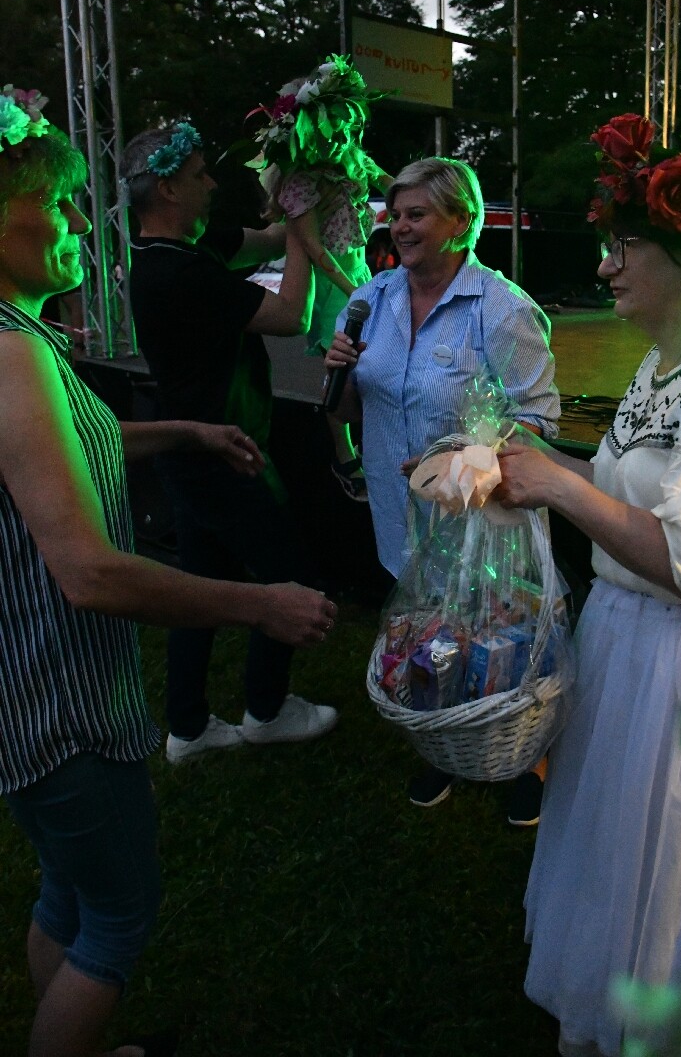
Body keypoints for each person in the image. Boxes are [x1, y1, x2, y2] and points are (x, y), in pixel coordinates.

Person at [0, 85, 337, 1057]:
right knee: (118, 916)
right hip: (59, 702)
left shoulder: (21, 341)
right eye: (57, 202)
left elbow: (65, 444)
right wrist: (259, 603)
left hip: (33, 693)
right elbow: (90, 574)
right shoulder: (13, 354)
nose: (79, 223)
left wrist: (184, 428)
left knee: (69, 892)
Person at [494, 112, 681, 1056]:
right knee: (617, 856)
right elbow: (627, 488)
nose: (605, 267)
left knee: (677, 872)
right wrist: (531, 459)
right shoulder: (666, 360)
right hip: (628, 647)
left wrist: (557, 488)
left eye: (624, 246)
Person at [324, 156, 560, 819]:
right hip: (399, 514)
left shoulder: (501, 308)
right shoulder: (371, 301)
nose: (399, 227)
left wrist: (463, 466)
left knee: (501, 634)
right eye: (395, 215)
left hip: (483, 519)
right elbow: (350, 410)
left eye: (416, 215)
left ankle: (528, 754)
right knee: (428, 629)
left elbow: (539, 421)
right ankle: (444, 739)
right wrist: (338, 373)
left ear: (461, 221)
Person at [122, 121, 338, 763]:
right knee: (291, 577)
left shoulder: (186, 249)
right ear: (167, 189)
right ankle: (266, 711)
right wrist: (302, 226)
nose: (213, 184)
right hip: (221, 453)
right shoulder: (175, 272)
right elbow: (290, 315)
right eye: (199, 175)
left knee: (203, 587)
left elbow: (269, 240)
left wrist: (295, 197)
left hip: (199, 452)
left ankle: (188, 727)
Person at [247, 56, 392, 502]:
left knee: (371, 361)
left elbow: (394, 184)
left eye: (349, 128)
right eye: (334, 129)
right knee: (340, 368)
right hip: (332, 286)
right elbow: (314, 249)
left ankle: (374, 444)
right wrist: (356, 292)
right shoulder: (301, 181)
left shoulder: (352, 162)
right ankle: (344, 455)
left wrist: (429, 192)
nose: (343, 138)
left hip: (358, 274)